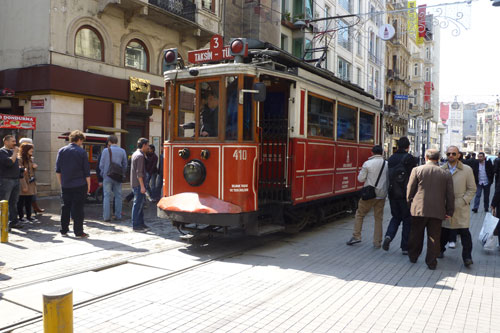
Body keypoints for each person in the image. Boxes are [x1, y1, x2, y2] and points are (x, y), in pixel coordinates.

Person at [407, 149, 455, 270]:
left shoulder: (417, 170)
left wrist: (410, 204)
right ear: (438, 159)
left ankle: (413, 256)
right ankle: (431, 262)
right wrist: (449, 211)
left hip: (418, 209)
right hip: (438, 210)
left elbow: (410, 190)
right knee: (434, 237)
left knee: (416, 234)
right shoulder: (446, 173)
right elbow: (450, 195)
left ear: (426, 157)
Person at [439, 146, 476, 267]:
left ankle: (467, 257)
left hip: (461, 206)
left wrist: (464, 200)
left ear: (458, 155)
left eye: (453, 154)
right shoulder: (441, 169)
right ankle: (440, 250)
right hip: (446, 206)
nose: (451, 156)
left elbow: (472, 188)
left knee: (464, 232)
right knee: (444, 231)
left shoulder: (467, 170)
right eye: (449, 153)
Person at [347, 145, 388, 248]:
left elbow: (361, 179)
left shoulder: (367, 164)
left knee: (360, 214)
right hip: (381, 194)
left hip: (369, 194)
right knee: (379, 218)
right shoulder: (386, 164)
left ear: (372, 153)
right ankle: (377, 242)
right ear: (382, 153)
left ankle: (357, 236)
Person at [382, 137, 417, 255]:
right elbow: (413, 178)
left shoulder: (391, 158)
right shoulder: (409, 159)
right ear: (408, 146)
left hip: (393, 193)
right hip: (405, 195)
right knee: (407, 220)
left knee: (395, 217)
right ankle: (405, 247)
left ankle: (388, 236)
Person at [55, 130, 91, 238]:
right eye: (82, 141)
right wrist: (88, 185)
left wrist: (61, 183)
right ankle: (78, 232)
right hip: (79, 184)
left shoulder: (61, 150)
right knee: (78, 209)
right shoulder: (82, 152)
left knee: (65, 208)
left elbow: (58, 170)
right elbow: (86, 172)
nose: (82, 143)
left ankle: (64, 230)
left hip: (66, 184)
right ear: (79, 139)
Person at [99, 135, 127, 222]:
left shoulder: (105, 151)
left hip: (107, 176)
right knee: (118, 196)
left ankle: (106, 217)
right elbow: (125, 165)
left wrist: (103, 174)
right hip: (117, 177)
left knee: (106, 196)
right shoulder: (122, 151)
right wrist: (122, 174)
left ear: (109, 142)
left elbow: (101, 165)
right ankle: (118, 215)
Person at [0, 135, 23, 229]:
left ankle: (13, 222)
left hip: (15, 179)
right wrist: (15, 153)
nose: (15, 143)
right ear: (6, 141)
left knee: (14, 202)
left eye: (15, 141)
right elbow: (9, 163)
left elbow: (15, 163)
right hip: (6, 180)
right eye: (12, 141)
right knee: (4, 202)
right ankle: (3, 224)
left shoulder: (12, 152)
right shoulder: (2, 152)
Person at [130, 137, 150, 231]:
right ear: (144, 145)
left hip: (135, 183)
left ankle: (141, 224)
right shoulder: (140, 156)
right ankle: (136, 225)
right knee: (138, 204)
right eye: (147, 145)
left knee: (140, 204)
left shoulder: (135, 153)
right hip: (138, 184)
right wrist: (142, 186)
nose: (148, 147)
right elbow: (139, 173)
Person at [17, 142, 38, 222]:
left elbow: (32, 170)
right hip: (23, 181)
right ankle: (21, 217)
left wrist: (34, 167)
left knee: (29, 200)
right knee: (21, 200)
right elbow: (19, 172)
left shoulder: (31, 159)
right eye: (30, 148)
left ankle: (29, 216)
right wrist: (24, 185)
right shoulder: (20, 159)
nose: (32, 150)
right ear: (26, 149)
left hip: (31, 181)